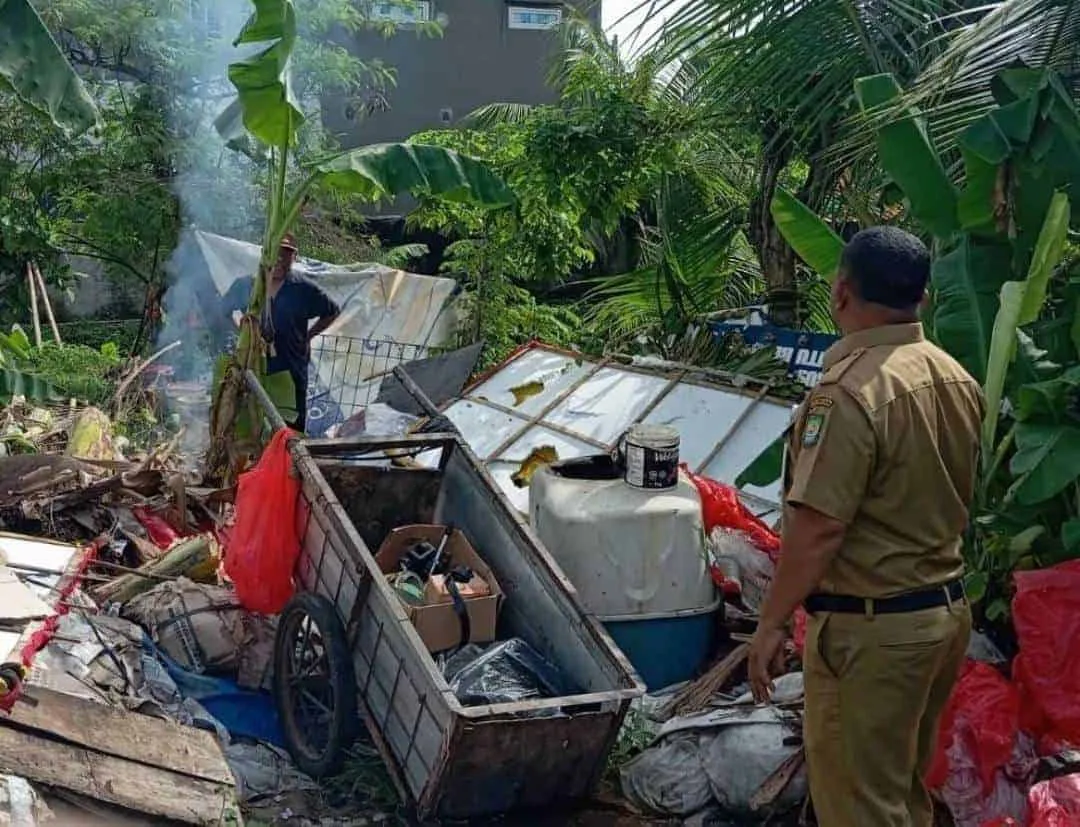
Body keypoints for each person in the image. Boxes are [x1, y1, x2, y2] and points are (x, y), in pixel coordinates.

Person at [747, 226, 984, 827]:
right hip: (942, 616)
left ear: (841, 292)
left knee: (860, 807)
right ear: (922, 298)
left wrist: (771, 623)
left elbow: (818, 527)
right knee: (901, 794)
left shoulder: (848, 394)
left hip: (875, 634)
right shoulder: (955, 376)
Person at [225, 234, 340, 432]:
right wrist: (242, 332)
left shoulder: (303, 289)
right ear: (264, 253)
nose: (279, 259)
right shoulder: (248, 285)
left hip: (291, 367)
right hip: (256, 366)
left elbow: (332, 311)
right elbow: (223, 310)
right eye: (275, 253)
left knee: (290, 429)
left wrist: (309, 336)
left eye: (286, 254)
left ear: (294, 257)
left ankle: (289, 462)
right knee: (254, 421)